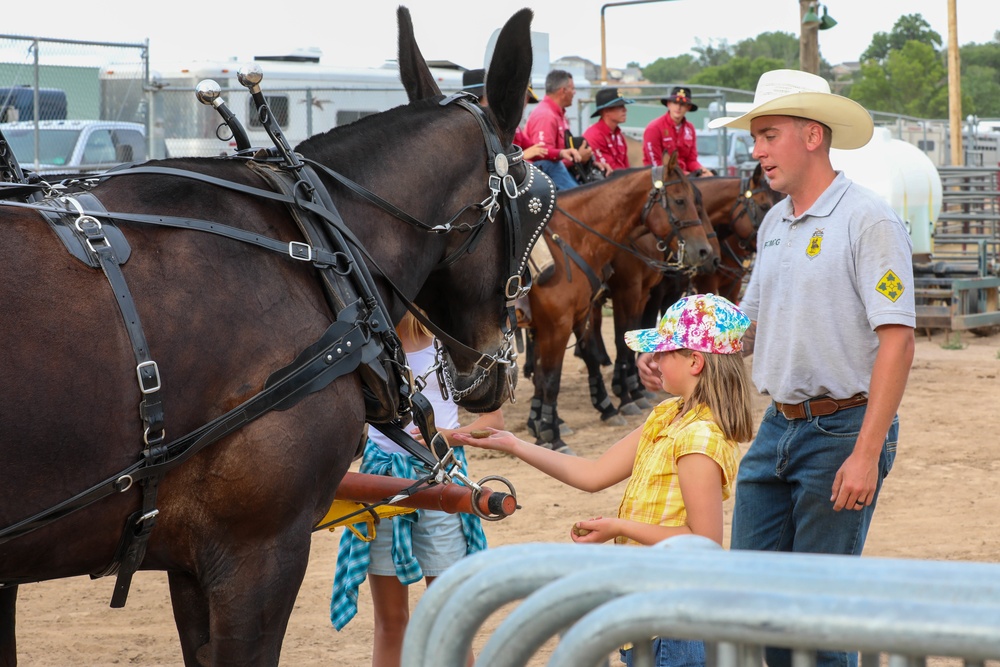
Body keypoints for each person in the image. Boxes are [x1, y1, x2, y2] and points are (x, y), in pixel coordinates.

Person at [639, 69, 916, 667]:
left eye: (768, 135)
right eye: (756, 137)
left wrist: (865, 454)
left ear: (812, 135)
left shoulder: (868, 220)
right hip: (778, 429)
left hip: (843, 430)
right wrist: (674, 356)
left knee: (815, 623)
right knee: (759, 605)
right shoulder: (773, 224)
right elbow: (746, 329)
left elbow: (897, 340)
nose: (756, 151)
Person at [455, 293, 755, 667]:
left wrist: (618, 526)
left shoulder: (699, 438)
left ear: (695, 361)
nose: (655, 360)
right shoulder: (666, 416)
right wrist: (515, 445)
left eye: (664, 352)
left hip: (677, 622)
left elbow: (703, 542)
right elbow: (594, 474)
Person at [330, 311, 503, 667]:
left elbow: (493, 421)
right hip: (381, 482)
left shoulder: (454, 341)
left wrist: (445, 435)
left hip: (441, 478)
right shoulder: (367, 344)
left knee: (449, 621)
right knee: (391, 624)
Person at [463, 67, 554, 284]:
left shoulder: (495, 118)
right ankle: (521, 284)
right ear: (486, 94)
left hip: (497, 184)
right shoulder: (479, 121)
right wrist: (525, 155)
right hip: (484, 191)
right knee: (516, 213)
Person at [524, 69, 594, 190]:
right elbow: (543, 157)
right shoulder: (546, 115)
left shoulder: (557, 114)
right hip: (543, 176)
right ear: (563, 91)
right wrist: (577, 159)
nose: (574, 92)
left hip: (556, 171)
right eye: (572, 88)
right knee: (583, 199)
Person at [642, 86, 713, 176]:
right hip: (659, 179)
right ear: (668, 104)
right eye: (675, 103)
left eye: (682, 104)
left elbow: (691, 161)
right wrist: (686, 175)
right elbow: (657, 165)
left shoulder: (690, 129)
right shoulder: (654, 128)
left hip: (683, 180)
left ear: (688, 107)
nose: (678, 107)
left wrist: (703, 170)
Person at [583, 87, 634, 172]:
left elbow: (625, 167)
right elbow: (610, 173)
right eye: (620, 106)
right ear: (606, 111)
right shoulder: (594, 136)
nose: (625, 110)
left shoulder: (619, 136)